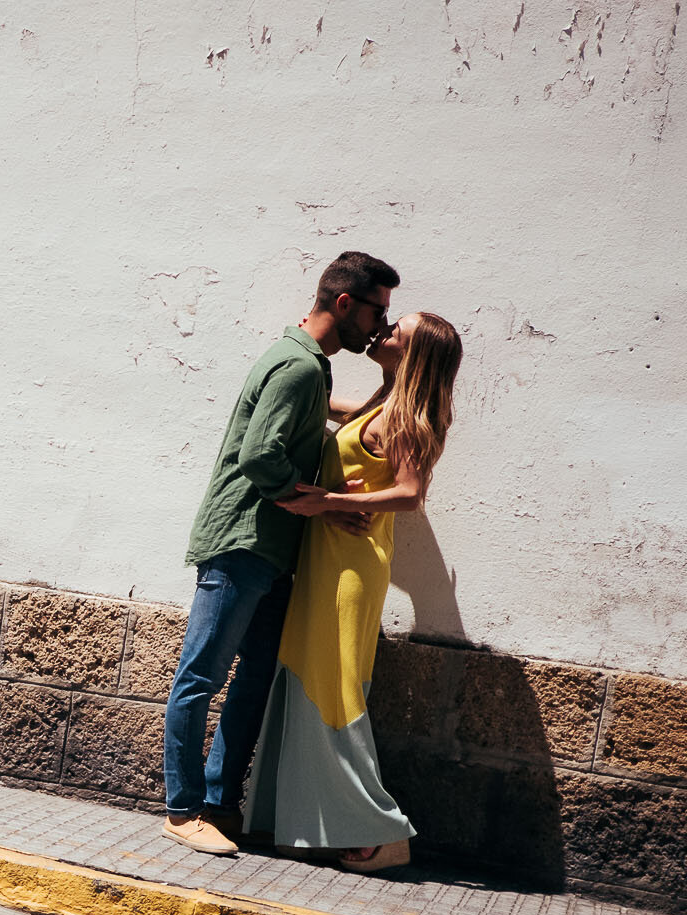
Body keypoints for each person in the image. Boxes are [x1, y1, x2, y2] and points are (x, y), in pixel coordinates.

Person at [161, 252, 398, 856]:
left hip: (272, 550)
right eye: (377, 311)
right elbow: (260, 458)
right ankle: (182, 809)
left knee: (252, 682)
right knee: (202, 677)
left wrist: (395, 384)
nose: (379, 326)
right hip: (242, 540)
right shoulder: (296, 367)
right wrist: (328, 504)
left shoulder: (308, 366)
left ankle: (219, 804)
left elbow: (334, 423)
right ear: (344, 303)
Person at [245, 311, 465, 872]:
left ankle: (378, 831)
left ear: (413, 356)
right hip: (329, 561)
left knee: (336, 690)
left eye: (398, 333)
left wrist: (330, 504)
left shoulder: (406, 417)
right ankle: (303, 821)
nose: (384, 333)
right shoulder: (382, 404)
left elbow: (410, 493)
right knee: (309, 676)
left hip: (350, 568)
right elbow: (333, 413)